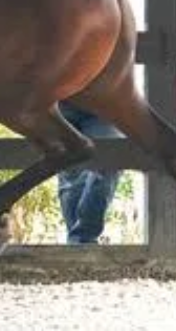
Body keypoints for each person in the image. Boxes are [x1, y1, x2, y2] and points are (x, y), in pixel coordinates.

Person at [56, 102, 123, 245]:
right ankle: (80, 244)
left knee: (110, 161)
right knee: (71, 181)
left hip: (105, 103)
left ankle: (82, 240)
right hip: (60, 105)